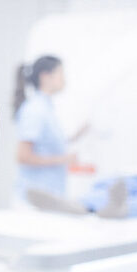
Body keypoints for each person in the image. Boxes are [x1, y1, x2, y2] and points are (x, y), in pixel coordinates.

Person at [12, 55, 86, 203]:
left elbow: (48, 143)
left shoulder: (46, 108)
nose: (64, 79)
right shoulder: (35, 109)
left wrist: (81, 132)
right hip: (35, 200)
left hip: (50, 196)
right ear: (45, 76)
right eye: (61, 73)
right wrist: (65, 159)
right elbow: (23, 156)